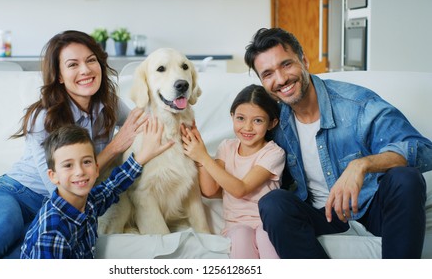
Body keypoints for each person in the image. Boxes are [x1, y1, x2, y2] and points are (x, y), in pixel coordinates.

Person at [244, 27, 432, 258]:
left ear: (304, 60)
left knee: (405, 177)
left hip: (372, 206)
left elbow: (423, 150)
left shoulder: (356, 104)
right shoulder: (275, 122)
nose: (281, 79)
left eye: (286, 64)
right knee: (273, 203)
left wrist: (361, 165)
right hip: (322, 215)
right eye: (268, 74)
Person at [0, 30, 147, 259]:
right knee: (5, 226)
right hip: (14, 193)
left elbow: (144, 126)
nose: (85, 70)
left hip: (48, 209)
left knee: (24, 249)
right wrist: (115, 146)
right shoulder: (44, 117)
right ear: (59, 75)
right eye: (73, 64)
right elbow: (58, 189)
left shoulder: (109, 104)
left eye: (90, 60)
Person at [21, 121, 173, 259]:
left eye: (86, 162)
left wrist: (142, 156)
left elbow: (111, 187)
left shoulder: (87, 203)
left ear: (96, 167)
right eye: (68, 165)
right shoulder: (53, 233)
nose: (80, 171)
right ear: (53, 176)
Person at [181, 84, 285, 259]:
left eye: (258, 120)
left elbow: (240, 189)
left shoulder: (273, 153)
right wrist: (200, 155)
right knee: (241, 235)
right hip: (236, 225)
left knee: (265, 235)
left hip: (266, 223)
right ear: (232, 117)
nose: (248, 127)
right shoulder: (226, 147)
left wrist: (205, 157)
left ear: (272, 123)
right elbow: (210, 190)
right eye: (241, 118)